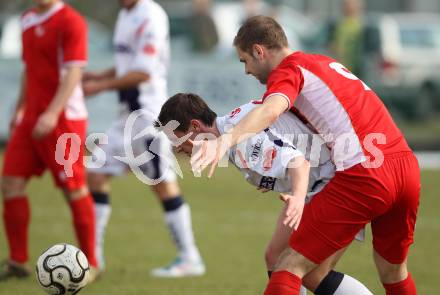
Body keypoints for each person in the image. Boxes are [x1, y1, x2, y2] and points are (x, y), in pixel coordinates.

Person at [193, 16, 420, 295]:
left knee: (287, 266)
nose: (247, 71)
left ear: (259, 51)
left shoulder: (289, 70)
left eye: (245, 61)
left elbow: (271, 110)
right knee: (393, 272)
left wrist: (224, 141)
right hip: (405, 166)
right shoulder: (323, 62)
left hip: (366, 173)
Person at [156, 92, 374, 295]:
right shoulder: (233, 128)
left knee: (310, 274)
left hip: (336, 183)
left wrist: (297, 199)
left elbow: (299, 163)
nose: (177, 148)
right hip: (324, 181)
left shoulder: (240, 141)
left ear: (195, 126)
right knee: (276, 257)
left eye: (178, 139)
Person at [82, 0, 205, 277]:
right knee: (96, 175)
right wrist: (101, 75)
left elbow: (143, 71)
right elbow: (129, 63)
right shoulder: (126, 14)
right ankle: (95, 259)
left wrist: (100, 86)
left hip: (147, 118)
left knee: (161, 184)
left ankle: (190, 258)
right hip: (125, 116)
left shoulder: (150, 14)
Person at [0, 0, 98, 281]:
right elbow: (28, 70)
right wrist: (20, 108)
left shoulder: (71, 21)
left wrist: (53, 113)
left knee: (74, 189)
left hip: (63, 120)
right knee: (10, 183)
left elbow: (74, 73)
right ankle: (18, 261)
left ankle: (90, 263)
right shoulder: (27, 19)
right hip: (30, 118)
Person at [329, 0, 364, 77]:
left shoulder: (361, 25)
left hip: (357, 67)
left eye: (349, 5)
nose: (346, 8)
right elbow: (335, 44)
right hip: (342, 66)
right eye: (345, 5)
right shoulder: (340, 25)